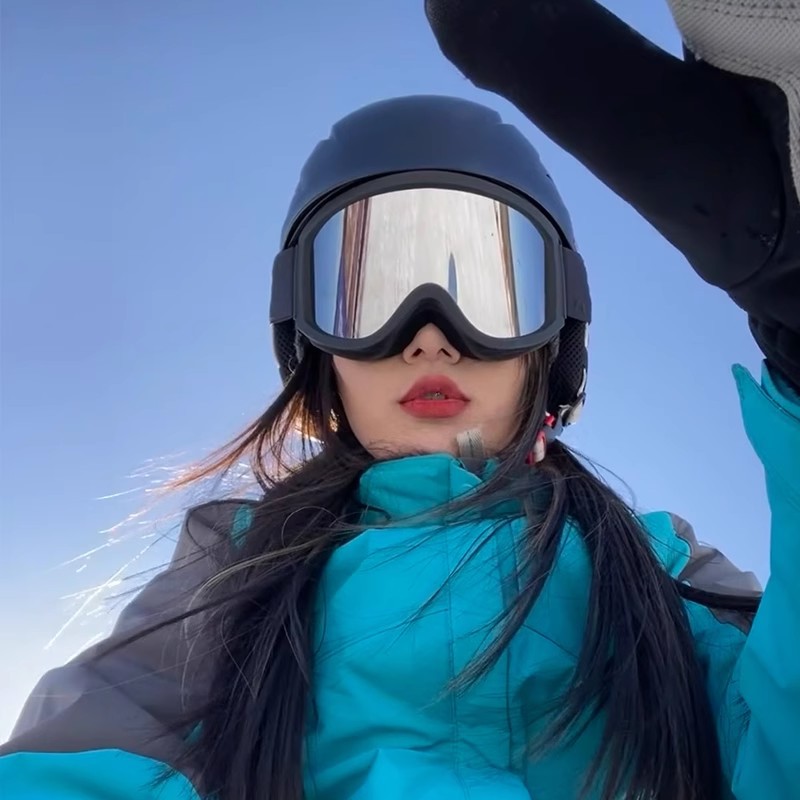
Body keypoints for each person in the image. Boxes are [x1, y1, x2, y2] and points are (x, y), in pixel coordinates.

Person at [2, 2, 799, 799]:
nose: (429, 339)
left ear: (551, 346)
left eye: (489, 291)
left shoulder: (656, 564)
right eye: (366, 294)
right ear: (317, 351)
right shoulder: (239, 565)